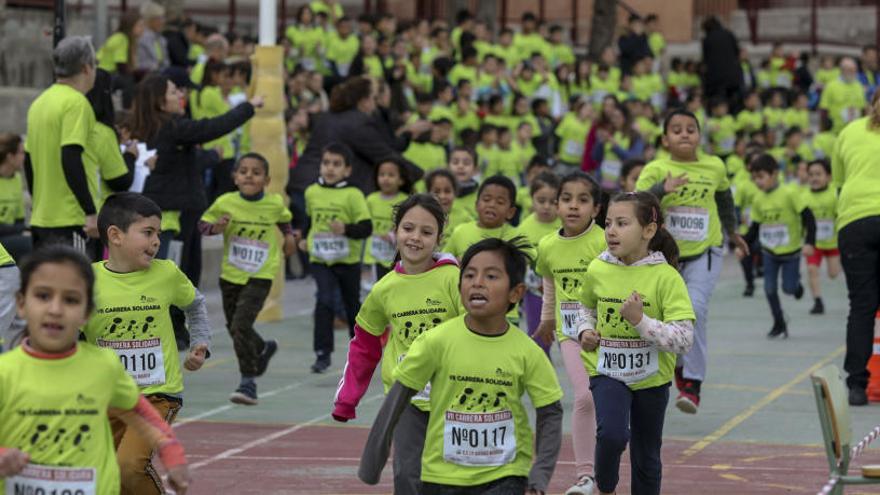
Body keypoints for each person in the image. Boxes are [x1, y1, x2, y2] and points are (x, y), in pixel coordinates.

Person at [359, 237, 564, 495]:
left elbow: (550, 412)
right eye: (469, 275)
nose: (477, 282)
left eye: (491, 276)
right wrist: (373, 461)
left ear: (516, 292)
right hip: (441, 476)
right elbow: (398, 398)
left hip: (506, 474)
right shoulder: (435, 342)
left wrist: (540, 475)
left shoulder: (528, 352)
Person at [0, 246, 190, 494]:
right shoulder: (6, 372)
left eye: (71, 300)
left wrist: (172, 453)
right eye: (43, 296)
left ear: (88, 312)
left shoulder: (104, 367)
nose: (55, 309)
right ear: (22, 304)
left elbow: (142, 414)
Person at [79, 193, 208, 494]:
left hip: (158, 393)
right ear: (115, 235)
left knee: (130, 465)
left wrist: (200, 343)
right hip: (108, 396)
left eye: (158, 234)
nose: (156, 242)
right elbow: (72, 332)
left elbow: (195, 305)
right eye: (147, 233)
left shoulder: (166, 274)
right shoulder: (87, 281)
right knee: (107, 474)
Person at [333, 194, 462, 494]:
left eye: (426, 232)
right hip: (406, 396)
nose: (415, 238)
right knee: (406, 474)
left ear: (439, 237)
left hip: (454, 396)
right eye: (408, 228)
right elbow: (364, 346)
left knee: (449, 478)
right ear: (395, 230)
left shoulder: (453, 280)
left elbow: (475, 329)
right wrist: (347, 398)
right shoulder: (384, 289)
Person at [576, 191, 695, 495]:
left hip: (652, 378)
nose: (611, 231)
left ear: (648, 230)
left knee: (647, 456)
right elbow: (584, 308)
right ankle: (606, 489)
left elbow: (684, 340)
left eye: (622, 223)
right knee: (612, 435)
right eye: (608, 223)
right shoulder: (597, 268)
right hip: (607, 370)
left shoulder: (666, 277)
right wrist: (584, 330)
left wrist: (641, 322)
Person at [635, 109, 748, 414]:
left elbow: (724, 199)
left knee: (695, 310)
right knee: (669, 316)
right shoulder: (657, 168)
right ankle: (679, 367)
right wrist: (662, 190)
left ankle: (693, 383)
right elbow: (633, 204)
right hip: (663, 258)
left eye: (690, 129)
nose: (684, 134)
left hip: (705, 253)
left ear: (700, 135)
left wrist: (732, 230)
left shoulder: (714, 166)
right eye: (676, 130)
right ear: (665, 139)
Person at [129, 74, 261, 288]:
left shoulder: (147, 129)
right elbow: (214, 126)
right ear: (160, 103)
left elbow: (182, 161)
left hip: (172, 212)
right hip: (175, 217)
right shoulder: (172, 129)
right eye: (174, 92)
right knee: (178, 280)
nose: (181, 95)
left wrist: (210, 156)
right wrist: (249, 107)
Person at [200, 154, 295, 404]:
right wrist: (215, 228)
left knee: (241, 325)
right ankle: (262, 347)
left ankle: (248, 383)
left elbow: (285, 220)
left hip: (260, 274)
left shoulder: (273, 203)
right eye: (243, 171)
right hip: (231, 274)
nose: (249, 176)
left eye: (255, 172)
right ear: (235, 177)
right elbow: (202, 225)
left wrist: (290, 238)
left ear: (266, 179)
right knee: (235, 328)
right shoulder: (225, 202)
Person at [534, 171, 606, 495]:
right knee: (584, 396)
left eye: (582, 200)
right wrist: (548, 319)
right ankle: (585, 476)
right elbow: (549, 284)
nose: (573, 206)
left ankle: (606, 466)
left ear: (596, 208)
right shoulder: (548, 246)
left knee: (608, 404)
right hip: (570, 334)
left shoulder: (605, 241)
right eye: (566, 199)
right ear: (557, 204)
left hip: (609, 335)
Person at [289, 76, 421, 205]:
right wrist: (421, 175)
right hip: (319, 191)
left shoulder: (328, 116)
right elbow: (383, 154)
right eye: (373, 99)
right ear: (363, 100)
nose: (375, 105)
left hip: (302, 183)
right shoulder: (357, 123)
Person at [24, 36, 99, 253]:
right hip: (71, 219)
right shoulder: (76, 103)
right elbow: (71, 156)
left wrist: (38, 201)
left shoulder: (39, 102)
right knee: (77, 284)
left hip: (41, 219)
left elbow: (29, 162)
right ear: (86, 68)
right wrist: (90, 211)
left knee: (47, 285)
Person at [302, 143, 372, 373]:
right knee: (324, 301)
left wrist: (346, 229)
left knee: (352, 306)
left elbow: (366, 227)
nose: (330, 168)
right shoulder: (311, 191)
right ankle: (322, 354)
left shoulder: (353, 194)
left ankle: (360, 351)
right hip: (320, 259)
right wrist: (302, 237)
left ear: (347, 170)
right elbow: (308, 219)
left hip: (347, 260)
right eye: (326, 163)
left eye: (336, 164)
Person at [829, 89, 880, 406]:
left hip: (854, 221)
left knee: (862, 307)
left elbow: (839, 183)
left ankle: (857, 385)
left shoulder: (849, 131)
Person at [740, 154, 816, 339]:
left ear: (774, 174)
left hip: (791, 252)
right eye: (754, 178)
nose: (757, 182)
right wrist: (742, 244)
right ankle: (779, 322)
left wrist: (809, 242)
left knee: (788, 289)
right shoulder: (758, 199)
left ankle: (797, 287)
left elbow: (808, 217)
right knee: (769, 289)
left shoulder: (790, 193)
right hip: (769, 252)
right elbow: (755, 227)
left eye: (761, 177)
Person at [515, 172, 561, 352]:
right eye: (541, 201)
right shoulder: (524, 228)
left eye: (553, 201)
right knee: (539, 335)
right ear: (532, 199)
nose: (547, 207)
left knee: (568, 337)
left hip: (564, 292)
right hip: (535, 292)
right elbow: (519, 259)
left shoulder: (566, 225)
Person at [803, 158, 840, 315]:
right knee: (812, 270)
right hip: (814, 244)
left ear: (829, 177)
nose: (814, 178)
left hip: (833, 243)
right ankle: (818, 301)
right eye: (811, 174)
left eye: (819, 174)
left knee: (833, 274)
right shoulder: (803, 197)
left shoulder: (835, 194)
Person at [365, 157, 411, 281]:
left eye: (391, 175)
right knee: (377, 288)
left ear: (401, 180)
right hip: (375, 254)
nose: (386, 178)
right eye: (382, 174)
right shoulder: (371, 200)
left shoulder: (406, 200)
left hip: (398, 255)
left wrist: (393, 235)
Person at [96, 10, 144, 108]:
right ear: (130, 26)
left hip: (105, 73)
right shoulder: (122, 39)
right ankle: (128, 109)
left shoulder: (119, 37)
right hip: (104, 74)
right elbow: (121, 65)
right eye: (139, 25)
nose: (142, 29)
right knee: (128, 80)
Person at [701, 16, 744, 113]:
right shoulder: (729, 34)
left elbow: (706, 61)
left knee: (719, 102)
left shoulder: (707, 39)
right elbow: (737, 52)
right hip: (733, 76)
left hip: (716, 79)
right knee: (734, 102)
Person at [0, 134, 29, 262]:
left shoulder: (17, 179)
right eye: (21, 153)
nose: (24, 157)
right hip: (5, 236)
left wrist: (22, 229)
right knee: (29, 244)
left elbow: (19, 219)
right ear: (10, 157)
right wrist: (23, 229)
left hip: (9, 236)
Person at [819, 57, 866, 134]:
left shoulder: (859, 86)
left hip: (855, 131)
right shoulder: (831, 86)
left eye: (854, 70)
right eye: (850, 70)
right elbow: (824, 110)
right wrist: (823, 131)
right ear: (842, 70)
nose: (853, 72)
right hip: (836, 132)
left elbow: (863, 109)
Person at [136, 2, 169, 74]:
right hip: (147, 75)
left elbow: (166, 61)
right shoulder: (141, 39)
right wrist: (157, 66)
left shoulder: (161, 39)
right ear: (149, 20)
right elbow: (139, 64)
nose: (162, 21)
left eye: (163, 18)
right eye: (159, 18)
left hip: (161, 73)